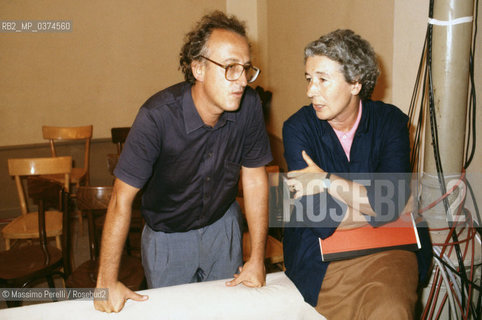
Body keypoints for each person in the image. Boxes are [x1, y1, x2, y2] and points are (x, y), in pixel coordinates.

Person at [94, 11, 272, 313]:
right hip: (167, 237)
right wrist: (106, 280)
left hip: (222, 226)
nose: (241, 81)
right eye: (230, 68)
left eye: (245, 69)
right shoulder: (156, 117)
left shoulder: (250, 105)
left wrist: (256, 257)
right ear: (198, 68)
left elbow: (254, 179)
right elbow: (121, 200)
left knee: (227, 312)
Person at [282, 29, 432, 319]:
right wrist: (387, 205)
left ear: (355, 83)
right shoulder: (298, 128)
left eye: (323, 80)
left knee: (392, 310)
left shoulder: (391, 123)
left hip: (390, 250)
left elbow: (387, 204)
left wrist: (327, 180)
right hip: (323, 259)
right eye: (309, 79)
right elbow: (320, 218)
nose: (311, 90)